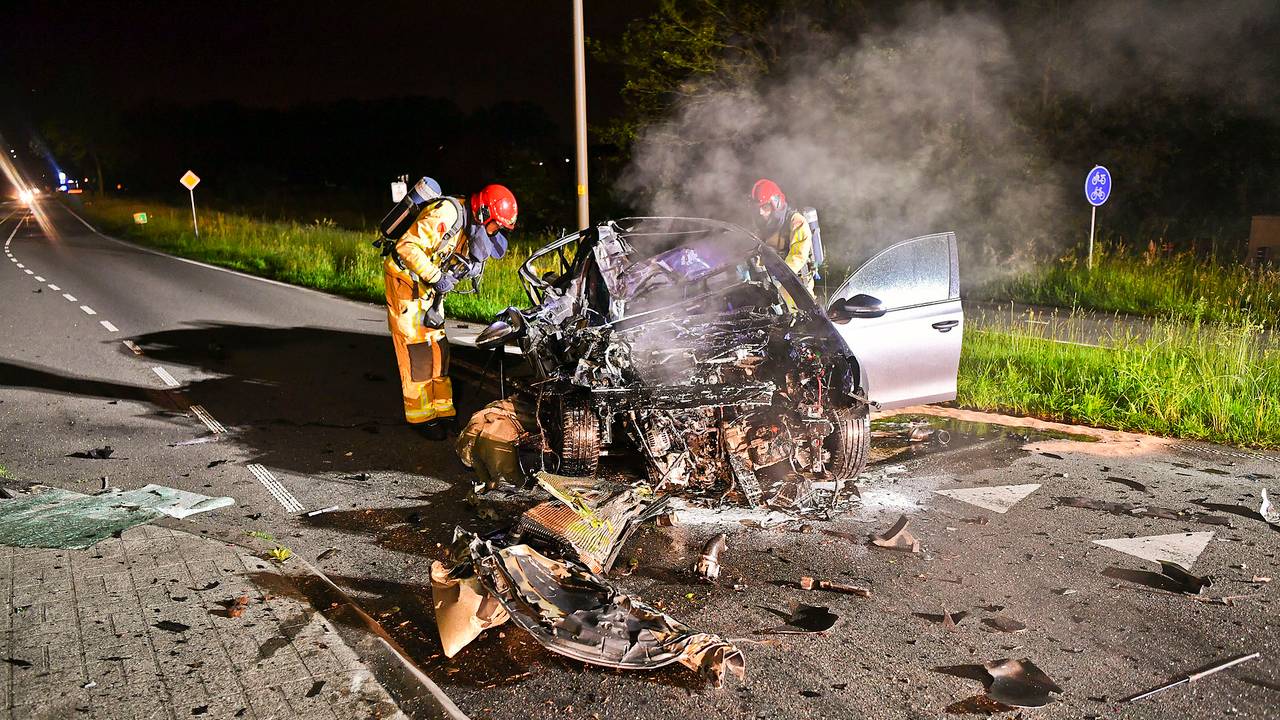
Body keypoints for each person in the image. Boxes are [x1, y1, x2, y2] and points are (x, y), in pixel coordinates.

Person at [383, 183, 517, 439]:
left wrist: (460, 270)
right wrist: (435, 276)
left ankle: (443, 412)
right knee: (417, 351)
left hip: (429, 285)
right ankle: (422, 417)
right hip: (406, 281)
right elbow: (406, 247)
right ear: (483, 213)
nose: (496, 231)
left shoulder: (471, 224)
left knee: (438, 348)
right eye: (496, 226)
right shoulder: (446, 215)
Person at [750, 178, 815, 294]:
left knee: (795, 312)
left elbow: (797, 257)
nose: (760, 212)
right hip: (773, 286)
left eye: (765, 207)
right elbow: (759, 252)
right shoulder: (764, 226)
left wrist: (779, 279)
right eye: (758, 208)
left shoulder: (797, 222)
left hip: (797, 288)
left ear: (776, 203)